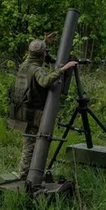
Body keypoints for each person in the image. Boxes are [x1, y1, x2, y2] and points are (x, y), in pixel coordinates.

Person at [9, 39, 78, 178]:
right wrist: (62, 69)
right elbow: (44, 81)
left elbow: (34, 52)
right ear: (42, 55)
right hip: (32, 112)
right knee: (30, 145)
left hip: (21, 110)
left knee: (28, 142)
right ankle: (24, 175)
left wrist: (44, 41)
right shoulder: (37, 69)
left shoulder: (25, 65)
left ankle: (27, 172)